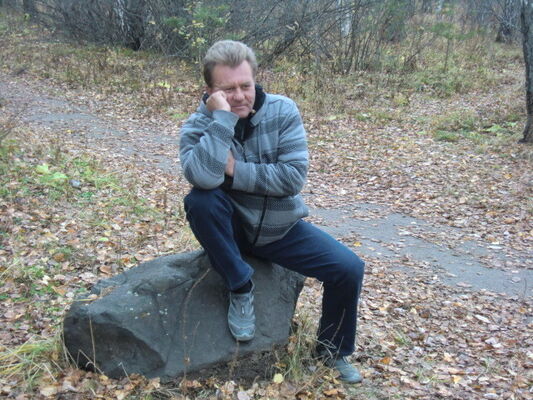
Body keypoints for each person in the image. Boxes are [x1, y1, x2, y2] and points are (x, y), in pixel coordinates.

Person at [179, 40, 365, 383]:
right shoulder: (197, 126)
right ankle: (240, 285)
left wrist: (234, 170)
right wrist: (221, 121)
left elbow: (292, 178)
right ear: (210, 92)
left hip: (280, 228)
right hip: (231, 228)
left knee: (348, 268)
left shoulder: (283, 111)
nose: (239, 96)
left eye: (245, 85)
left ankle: (332, 351)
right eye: (228, 89)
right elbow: (203, 178)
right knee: (200, 201)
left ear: (255, 80)